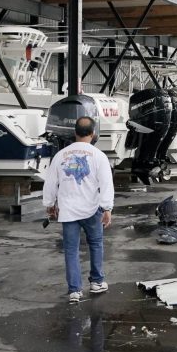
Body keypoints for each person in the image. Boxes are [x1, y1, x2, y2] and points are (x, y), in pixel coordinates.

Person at [43, 115, 115, 302]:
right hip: (92, 209)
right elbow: (106, 184)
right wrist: (107, 208)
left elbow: (50, 182)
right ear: (93, 133)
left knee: (71, 250)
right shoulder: (99, 156)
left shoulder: (61, 155)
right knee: (96, 244)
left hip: (68, 210)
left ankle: (74, 290)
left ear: (75, 133)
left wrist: (50, 204)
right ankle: (97, 282)